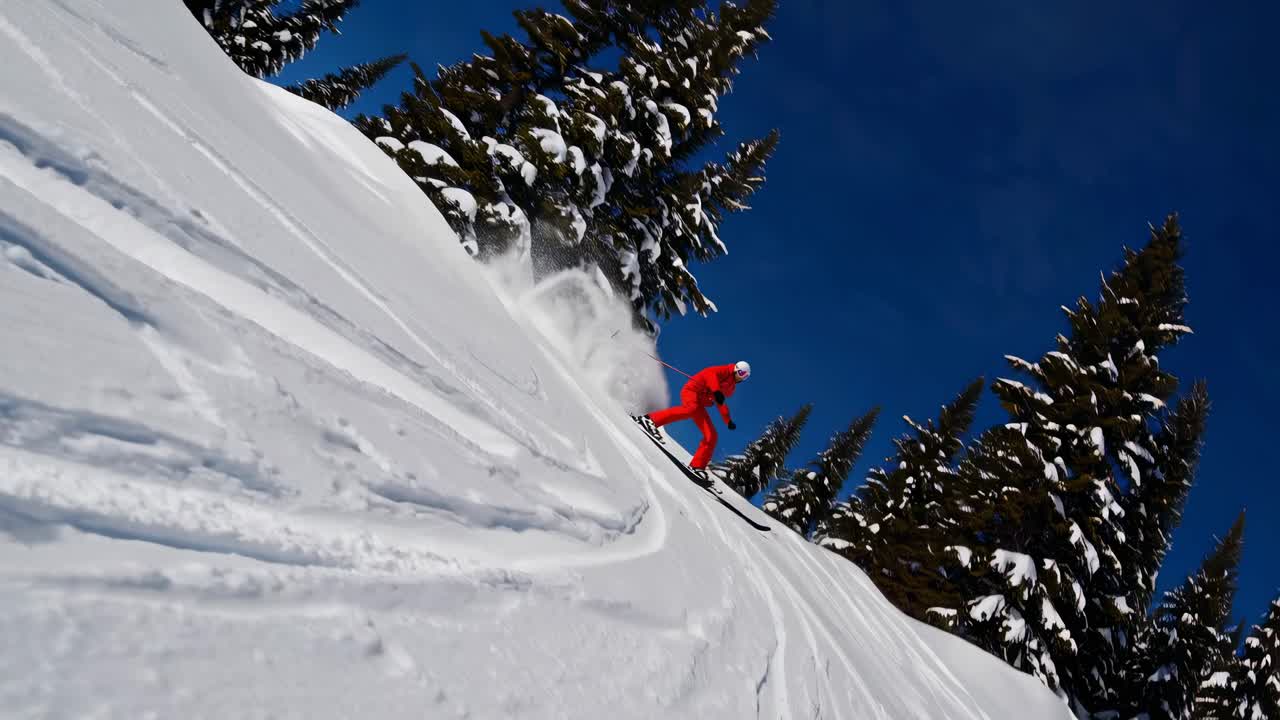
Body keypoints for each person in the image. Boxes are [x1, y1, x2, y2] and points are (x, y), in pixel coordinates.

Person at [634, 361, 751, 483]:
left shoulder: (730, 388)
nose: (741, 376)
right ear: (735, 369)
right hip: (691, 391)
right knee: (691, 409)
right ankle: (649, 420)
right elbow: (709, 373)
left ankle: (697, 466)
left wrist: (728, 421)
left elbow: (720, 402)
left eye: (745, 376)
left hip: (699, 404)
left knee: (712, 435)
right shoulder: (725, 370)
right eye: (741, 372)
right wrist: (716, 390)